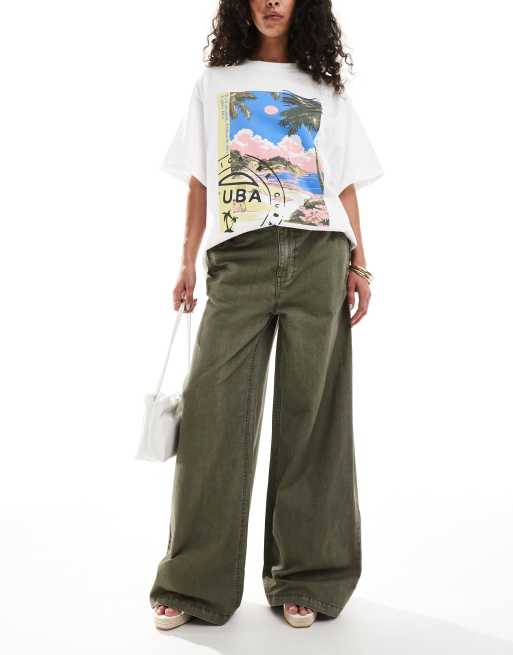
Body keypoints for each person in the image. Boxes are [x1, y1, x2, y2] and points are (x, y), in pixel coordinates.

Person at [150, 0, 383, 630]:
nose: (272, 2)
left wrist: (360, 264)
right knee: (212, 418)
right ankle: (194, 582)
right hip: (239, 260)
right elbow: (200, 181)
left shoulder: (325, 88)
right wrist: (186, 260)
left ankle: (307, 576)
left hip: (319, 256)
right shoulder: (214, 83)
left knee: (313, 419)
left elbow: (344, 183)